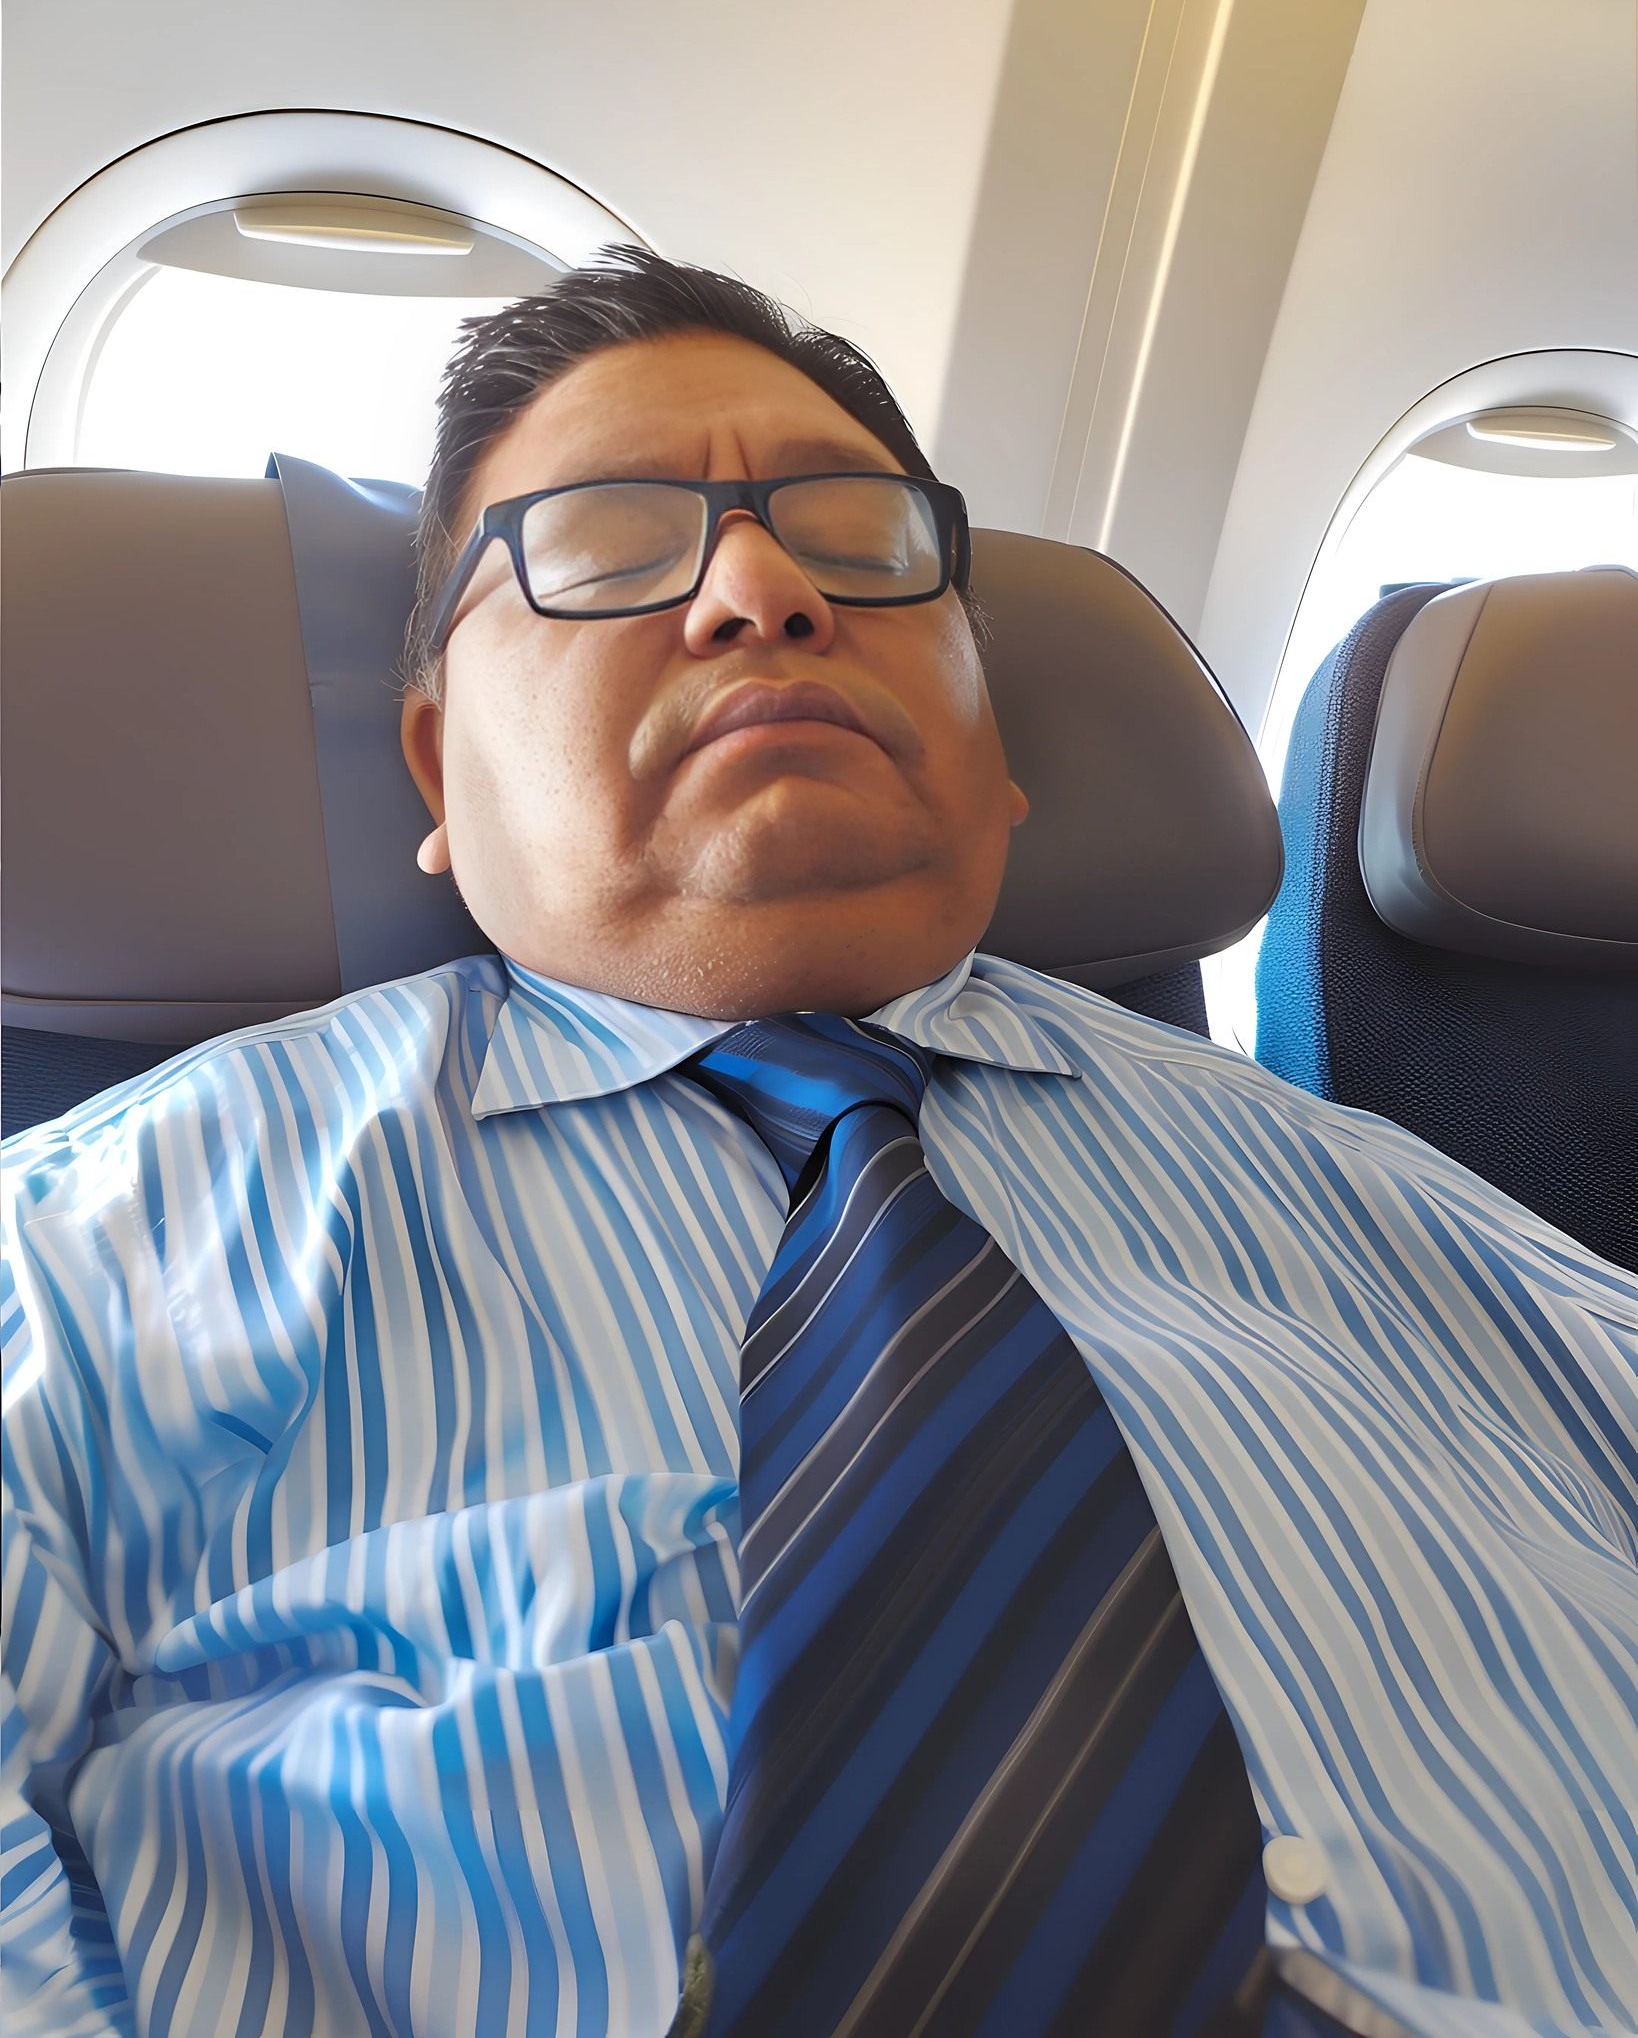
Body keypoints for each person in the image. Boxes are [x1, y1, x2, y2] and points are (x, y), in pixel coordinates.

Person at [2, 245, 1633, 2038]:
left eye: (860, 540)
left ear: (995, 749)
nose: (762, 591)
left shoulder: (1388, 1199)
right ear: (436, 773)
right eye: (605, 548)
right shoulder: (91, 1241)